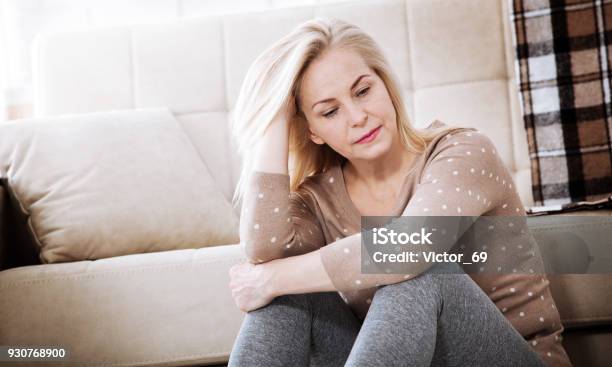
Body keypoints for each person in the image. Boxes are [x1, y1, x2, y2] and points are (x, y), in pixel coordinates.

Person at [227, 18, 572, 367]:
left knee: (421, 269)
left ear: (386, 86)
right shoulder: (318, 199)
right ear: (312, 130)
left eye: (363, 91)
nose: (358, 116)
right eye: (330, 112)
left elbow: (412, 246)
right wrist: (275, 118)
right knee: (283, 299)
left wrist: (270, 280)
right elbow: (263, 250)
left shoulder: (462, 151)